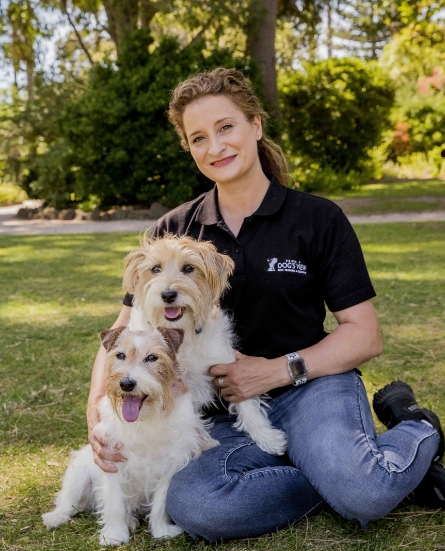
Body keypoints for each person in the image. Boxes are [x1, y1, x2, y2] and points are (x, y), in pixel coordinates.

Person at [87, 68, 445, 541]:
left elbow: (364, 333)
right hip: (223, 413)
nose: (215, 147)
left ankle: (415, 428)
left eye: (226, 127)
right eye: (198, 138)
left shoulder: (318, 219)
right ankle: (336, 472)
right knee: (194, 505)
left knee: (364, 496)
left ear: (256, 125)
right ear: (189, 149)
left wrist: (277, 370)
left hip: (313, 386)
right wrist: (96, 413)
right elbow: (125, 329)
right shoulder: (173, 231)